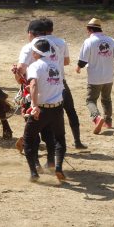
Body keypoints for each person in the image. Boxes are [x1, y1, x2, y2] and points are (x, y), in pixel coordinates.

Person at [23, 38, 66, 182]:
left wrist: (34, 106)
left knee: (28, 139)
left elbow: (34, 84)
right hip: (57, 108)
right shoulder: (56, 65)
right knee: (59, 139)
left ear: (36, 52)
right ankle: (58, 167)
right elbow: (54, 84)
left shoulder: (35, 66)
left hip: (42, 110)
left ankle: (34, 172)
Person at [43, 19, 87, 149]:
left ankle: (52, 143)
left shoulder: (38, 43)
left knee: (48, 114)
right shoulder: (61, 42)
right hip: (61, 81)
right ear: (52, 28)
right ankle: (77, 141)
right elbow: (67, 62)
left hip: (46, 84)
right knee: (70, 110)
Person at [76, 18, 114, 134]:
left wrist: (78, 68)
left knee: (90, 100)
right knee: (106, 99)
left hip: (94, 78)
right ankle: (108, 122)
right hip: (108, 77)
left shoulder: (89, 42)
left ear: (89, 29)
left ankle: (97, 118)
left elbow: (83, 60)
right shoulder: (110, 40)